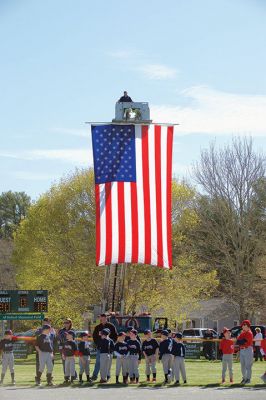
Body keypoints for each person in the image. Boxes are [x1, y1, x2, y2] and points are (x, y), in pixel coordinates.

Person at [92, 313, 117, 381]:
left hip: (108, 349)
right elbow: (94, 337)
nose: (102, 320)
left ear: (106, 318)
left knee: (108, 364)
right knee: (98, 362)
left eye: (104, 319)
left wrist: (111, 345)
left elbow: (115, 336)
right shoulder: (97, 327)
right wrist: (98, 344)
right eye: (101, 319)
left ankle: (107, 376)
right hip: (100, 348)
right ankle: (95, 376)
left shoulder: (111, 326)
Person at [34, 317, 55, 384]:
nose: (50, 330)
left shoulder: (48, 336)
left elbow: (50, 346)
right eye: (49, 329)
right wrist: (39, 351)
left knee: (50, 367)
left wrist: (51, 353)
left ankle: (49, 381)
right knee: (41, 367)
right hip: (42, 353)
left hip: (49, 354)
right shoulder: (40, 337)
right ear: (45, 329)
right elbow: (36, 345)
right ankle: (38, 379)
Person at [236, 319, 254, 384]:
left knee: (248, 366)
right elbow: (238, 341)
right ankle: (244, 378)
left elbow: (243, 341)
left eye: (244, 325)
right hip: (242, 350)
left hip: (248, 349)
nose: (242, 326)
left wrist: (241, 341)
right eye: (242, 325)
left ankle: (248, 379)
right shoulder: (242, 333)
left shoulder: (249, 333)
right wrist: (240, 341)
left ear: (247, 325)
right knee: (242, 366)